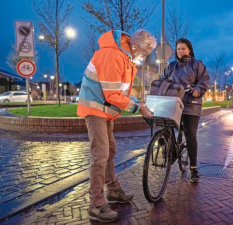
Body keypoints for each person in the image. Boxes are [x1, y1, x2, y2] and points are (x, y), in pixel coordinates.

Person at [77, 29, 156, 222]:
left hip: (106, 111)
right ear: (136, 46)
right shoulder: (112, 56)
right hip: (96, 110)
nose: (145, 56)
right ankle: (96, 204)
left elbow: (122, 92)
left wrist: (140, 103)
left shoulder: (124, 59)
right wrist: (139, 108)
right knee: (101, 155)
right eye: (146, 51)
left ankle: (112, 191)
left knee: (110, 151)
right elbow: (112, 95)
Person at [163, 38, 210, 183]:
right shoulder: (171, 67)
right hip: (174, 102)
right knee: (165, 124)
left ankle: (194, 168)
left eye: (183, 48)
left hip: (191, 103)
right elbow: (164, 80)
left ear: (189, 50)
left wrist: (197, 90)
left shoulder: (197, 65)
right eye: (178, 49)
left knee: (190, 134)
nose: (180, 51)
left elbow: (204, 81)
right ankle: (170, 150)